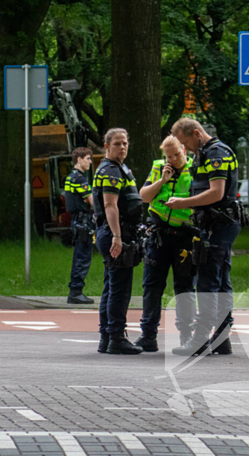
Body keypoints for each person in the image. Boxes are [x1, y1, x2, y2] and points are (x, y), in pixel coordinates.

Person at [166, 118, 241, 357]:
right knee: (220, 283)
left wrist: (182, 203)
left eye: (185, 142)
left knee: (208, 283)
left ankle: (199, 340)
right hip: (213, 224)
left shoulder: (215, 153)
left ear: (197, 133)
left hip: (218, 225)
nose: (184, 148)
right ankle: (221, 339)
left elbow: (216, 192)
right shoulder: (205, 152)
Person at [135, 135, 197, 353]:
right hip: (159, 235)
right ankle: (148, 336)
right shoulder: (159, 168)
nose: (173, 159)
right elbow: (143, 196)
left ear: (184, 150)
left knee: (184, 288)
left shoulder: (195, 169)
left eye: (177, 154)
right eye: (169, 156)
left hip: (184, 238)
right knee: (152, 287)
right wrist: (162, 180)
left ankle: (187, 337)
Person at [93, 128, 144, 355]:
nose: (122, 147)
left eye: (125, 143)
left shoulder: (120, 169)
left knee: (112, 287)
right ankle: (116, 337)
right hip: (115, 233)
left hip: (117, 232)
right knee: (119, 289)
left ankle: (107, 337)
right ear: (107, 146)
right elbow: (110, 205)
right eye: (117, 144)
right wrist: (117, 236)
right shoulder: (111, 170)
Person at [64, 147, 95, 305]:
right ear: (79, 160)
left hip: (77, 220)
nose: (90, 161)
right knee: (82, 257)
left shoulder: (71, 177)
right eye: (88, 158)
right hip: (83, 221)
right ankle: (76, 292)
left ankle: (75, 291)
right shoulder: (80, 179)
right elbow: (93, 202)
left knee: (79, 255)